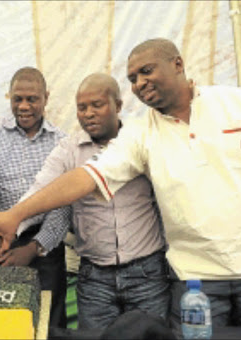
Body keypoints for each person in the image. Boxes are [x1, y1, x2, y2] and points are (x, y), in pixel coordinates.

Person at [0, 38, 241, 329]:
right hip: (196, 279)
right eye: (133, 77)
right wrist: (13, 216)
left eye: (146, 71)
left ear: (178, 64)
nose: (139, 83)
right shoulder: (139, 135)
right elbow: (84, 178)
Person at [17, 73, 169, 329]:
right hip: (95, 277)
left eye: (97, 105)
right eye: (81, 107)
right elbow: (39, 190)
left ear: (118, 106)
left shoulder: (142, 139)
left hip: (147, 274)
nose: (88, 113)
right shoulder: (68, 150)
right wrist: (8, 224)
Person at [0, 67, 70, 327]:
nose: (24, 106)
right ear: (9, 97)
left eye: (32, 99)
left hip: (45, 246)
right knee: (0, 323)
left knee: (47, 323)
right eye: (17, 99)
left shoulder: (62, 141)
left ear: (46, 97)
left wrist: (34, 248)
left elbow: (62, 204)